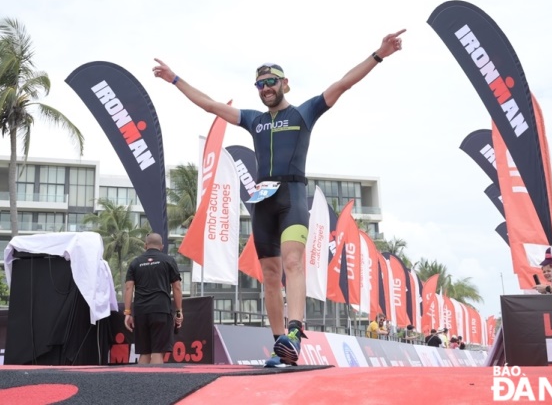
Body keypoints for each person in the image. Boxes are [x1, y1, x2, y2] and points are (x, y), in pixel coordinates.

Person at [153, 29, 405, 367]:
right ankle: (280, 347)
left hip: (292, 197)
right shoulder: (253, 119)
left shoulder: (303, 113)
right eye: (260, 84)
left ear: (285, 83)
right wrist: (175, 79)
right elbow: (211, 105)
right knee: (269, 275)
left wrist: (379, 54)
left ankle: (296, 330)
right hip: (263, 203)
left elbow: (343, 84)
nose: (266, 88)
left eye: (271, 82)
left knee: (293, 262)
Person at [124, 233, 183, 364]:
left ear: (145, 246)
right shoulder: (168, 260)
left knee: (144, 352)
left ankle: (140, 384)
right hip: (161, 310)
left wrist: (127, 313)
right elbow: (177, 287)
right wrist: (179, 311)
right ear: (161, 247)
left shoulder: (136, 262)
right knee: (157, 352)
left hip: (141, 312)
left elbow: (129, 288)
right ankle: (156, 384)